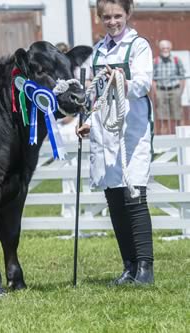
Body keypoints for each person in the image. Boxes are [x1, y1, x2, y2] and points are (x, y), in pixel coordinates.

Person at [76, 0, 155, 285]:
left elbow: (144, 84)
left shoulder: (139, 46)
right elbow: (94, 93)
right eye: (106, 17)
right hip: (105, 132)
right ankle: (129, 266)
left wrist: (121, 79)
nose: (112, 22)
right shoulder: (97, 51)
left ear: (128, 13)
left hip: (133, 131)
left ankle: (145, 268)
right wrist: (87, 119)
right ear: (99, 18)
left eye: (117, 16)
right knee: (115, 200)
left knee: (134, 196)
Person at [153, 39, 186, 134]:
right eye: (163, 48)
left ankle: (181, 138)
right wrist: (156, 93)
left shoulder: (176, 60)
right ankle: (165, 143)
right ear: (160, 48)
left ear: (170, 48)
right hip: (161, 90)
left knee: (178, 116)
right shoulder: (155, 61)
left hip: (175, 89)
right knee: (162, 118)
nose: (165, 50)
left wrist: (180, 92)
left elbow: (182, 77)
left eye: (167, 48)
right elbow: (153, 79)